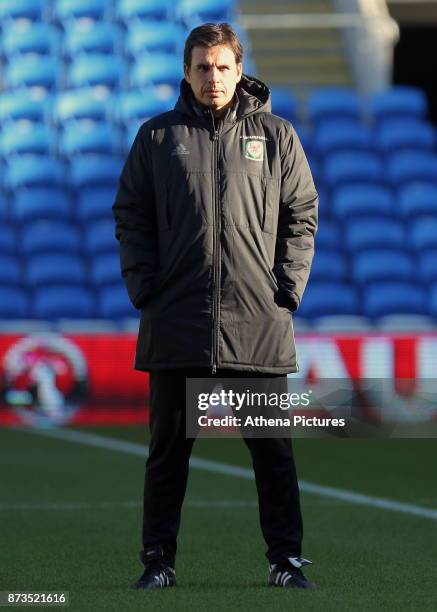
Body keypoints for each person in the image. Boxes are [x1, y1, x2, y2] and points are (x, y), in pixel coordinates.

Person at [112, 22, 318, 590]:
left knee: (273, 454)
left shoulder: (277, 136)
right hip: (177, 319)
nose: (213, 77)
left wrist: (287, 288)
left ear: (239, 69)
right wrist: (144, 287)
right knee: (167, 455)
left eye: (223, 66)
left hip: (257, 322)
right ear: (187, 71)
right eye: (202, 67)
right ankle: (158, 561)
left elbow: (302, 212)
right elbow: (130, 214)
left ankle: (286, 561)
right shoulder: (156, 138)